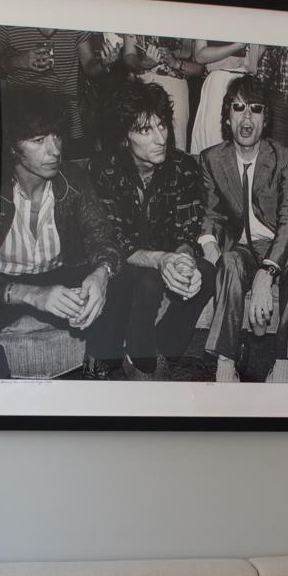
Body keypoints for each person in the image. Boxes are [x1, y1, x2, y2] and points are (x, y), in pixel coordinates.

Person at [0, 85, 126, 379]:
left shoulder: (73, 179)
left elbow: (103, 237)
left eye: (57, 135)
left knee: (121, 284)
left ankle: (98, 378)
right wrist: (30, 294)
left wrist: (101, 273)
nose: (55, 150)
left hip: (57, 272)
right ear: (11, 146)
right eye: (38, 140)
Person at [90, 81, 216, 380]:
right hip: (122, 263)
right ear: (124, 137)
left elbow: (186, 232)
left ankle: (160, 351)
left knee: (207, 273)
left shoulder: (183, 166)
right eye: (145, 130)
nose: (161, 138)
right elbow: (111, 240)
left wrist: (183, 260)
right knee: (146, 279)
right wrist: (161, 260)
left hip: (163, 257)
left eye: (162, 125)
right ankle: (133, 358)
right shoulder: (103, 169)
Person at [197, 75, 288, 384]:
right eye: (238, 108)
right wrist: (209, 243)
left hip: (280, 245)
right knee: (229, 262)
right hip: (241, 247)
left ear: (266, 120)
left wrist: (267, 273)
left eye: (256, 109)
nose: (246, 117)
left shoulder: (285, 157)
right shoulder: (211, 159)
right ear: (227, 117)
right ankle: (225, 364)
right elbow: (211, 213)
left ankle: (283, 365)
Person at [0, 26, 114, 158]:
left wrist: (103, 64)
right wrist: (17, 61)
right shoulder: (10, 22)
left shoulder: (74, 24)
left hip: (65, 113)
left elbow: (89, 66)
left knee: (73, 166)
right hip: (23, 114)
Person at [122, 36, 202, 153]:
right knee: (142, 135)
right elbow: (128, 56)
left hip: (176, 86)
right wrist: (143, 64)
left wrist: (176, 63)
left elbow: (199, 68)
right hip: (142, 82)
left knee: (177, 140)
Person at [188, 40, 259, 154]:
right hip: (219, 81)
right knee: (213, 140)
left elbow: (253, 64)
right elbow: (199, 55)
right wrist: (237, 46)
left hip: (246, 82)